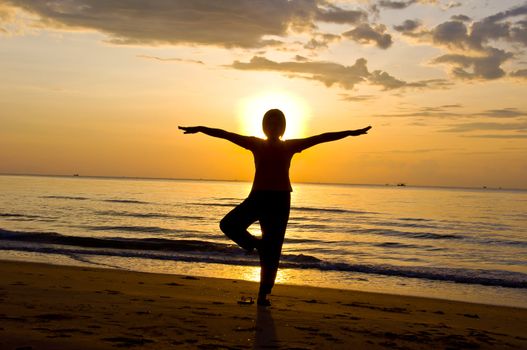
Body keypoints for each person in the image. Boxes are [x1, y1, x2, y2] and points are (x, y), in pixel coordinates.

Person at [179, 109, 371, 306]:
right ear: (264, 126)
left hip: (280, 200)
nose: (273, 125)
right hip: (258, 196)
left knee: (274, 249)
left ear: (282, 127)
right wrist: (201, 129)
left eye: (277, 122)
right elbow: (226, 135)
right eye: (269, 122)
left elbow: (321, 138)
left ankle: (264, 295)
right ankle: (258, 246)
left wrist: (349, 132)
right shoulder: (255, 143)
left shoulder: (290, 146)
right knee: (229, 224)